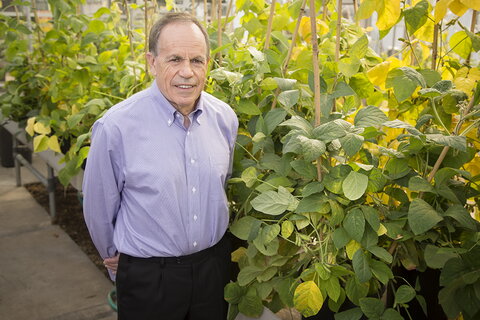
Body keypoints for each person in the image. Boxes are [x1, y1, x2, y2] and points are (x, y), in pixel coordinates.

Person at [82, 12, 238, 320]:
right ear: (152, 62)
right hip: (150, 278)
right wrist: (113, 257)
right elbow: (99, 208)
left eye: (197, 60)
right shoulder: (116, 127)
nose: (187, 72)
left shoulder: (224, 118)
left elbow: (222, 183)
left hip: (212, 270)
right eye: (175, 59)